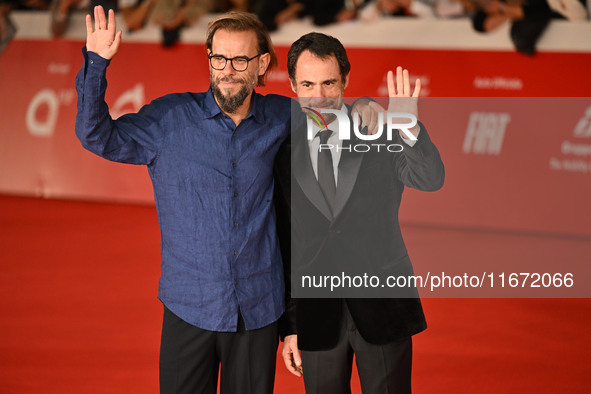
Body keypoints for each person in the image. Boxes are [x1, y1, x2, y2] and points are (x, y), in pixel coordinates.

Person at [76, 6, 290, 393]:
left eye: (240, 59)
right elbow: (96, 136)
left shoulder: (282, 117)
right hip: (189, 305)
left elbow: (340, 127)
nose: (227, 69)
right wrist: (97, 64)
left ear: (261, 64)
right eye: (219, 58)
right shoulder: (169, 120)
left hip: (258, 309)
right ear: (209, 59)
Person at [275, 32, 445, 393]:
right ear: (292, 85)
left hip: (382, 307)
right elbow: (286, 241)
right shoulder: (281, 148)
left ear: (345, 80)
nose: (318, 96)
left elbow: (430, 179)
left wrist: (408, 127)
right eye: (307, 84)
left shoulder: (377, 129)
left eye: (328, 82)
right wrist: (290, 325)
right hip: (317, 316)